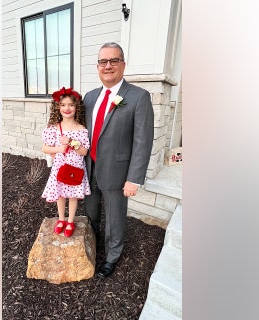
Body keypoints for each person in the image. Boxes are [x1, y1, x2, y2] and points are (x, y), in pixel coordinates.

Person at [83, 42, 154, 278]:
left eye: (114, 60)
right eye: (103, 61)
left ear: (123, 64)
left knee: (114, 219)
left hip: (117, 172)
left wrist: (134, 178)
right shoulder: (90, 97)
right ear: (97, 66)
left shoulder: (138, 97)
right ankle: (92, 245)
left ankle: (112, 256)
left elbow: (143, 141)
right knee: (91, 213)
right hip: (88, 169)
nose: (108, 66)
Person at [41, 87, 91, 237]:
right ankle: (61, 219)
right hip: (60, 168)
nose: (67, 108)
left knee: (73, 196)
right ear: (58, 107)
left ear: (76, 107)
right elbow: (44, 147)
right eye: (63, 105)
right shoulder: (54, 128)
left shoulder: (81, 129)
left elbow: (84, 151)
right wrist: (57, 149)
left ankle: (70, 221)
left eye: (70, 105)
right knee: (61, 195)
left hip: (75, 168)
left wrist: (71, 142)